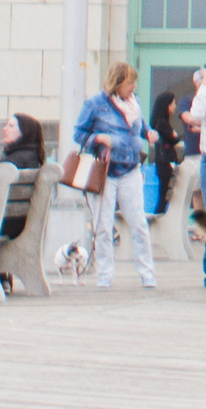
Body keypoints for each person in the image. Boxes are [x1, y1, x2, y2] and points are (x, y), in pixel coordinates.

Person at [68, 64, 157, 289]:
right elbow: (78, 133)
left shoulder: (134, 102)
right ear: (117, 83)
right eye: (129, 83)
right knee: (103, 225)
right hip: (106, 171)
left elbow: (142, 126)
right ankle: (105, 274)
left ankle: (147, 274)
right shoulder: (95, 104)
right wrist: (99, 138)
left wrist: (149, 133)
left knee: (138, 222)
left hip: (131, 168)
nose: (133, 87)